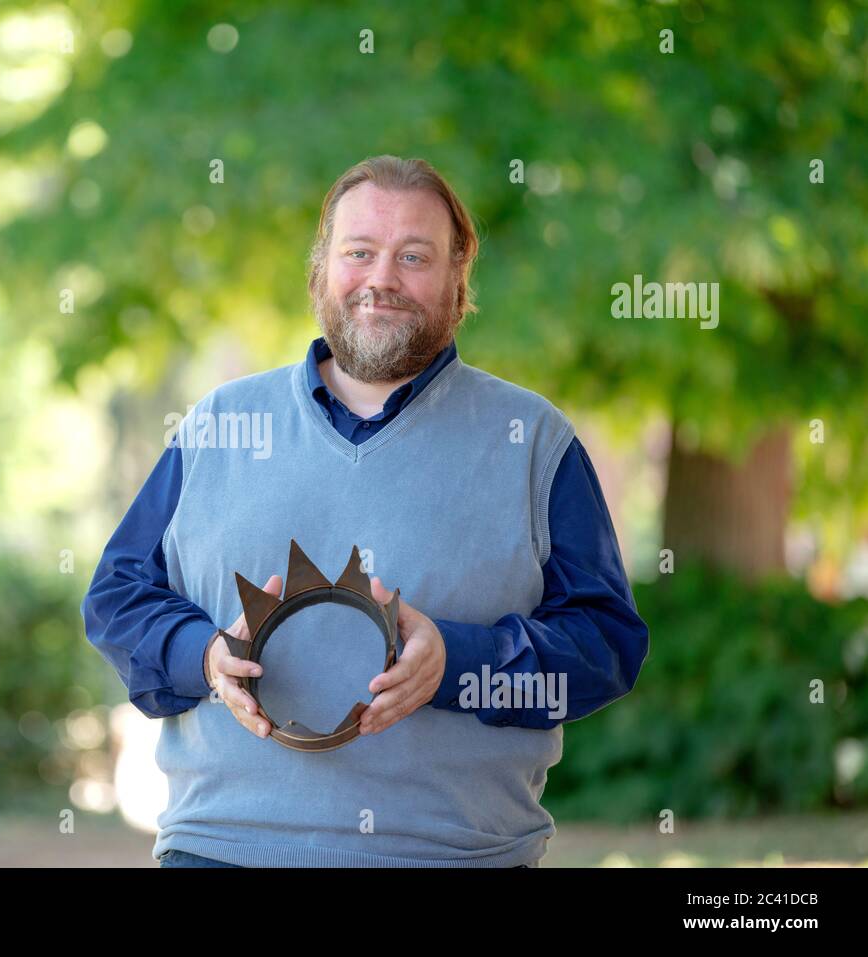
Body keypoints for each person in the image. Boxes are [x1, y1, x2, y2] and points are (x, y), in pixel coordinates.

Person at [82, 155, 649, 868]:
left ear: (457, 279)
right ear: (322, 267)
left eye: (414, 256)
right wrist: (203, 655)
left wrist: (460, 663)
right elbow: (115, 600)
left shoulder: (534, 441)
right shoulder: (217, 425)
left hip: (455, 857)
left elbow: (606, 647)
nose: (382, 278)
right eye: (360, 252)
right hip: (220, 850)